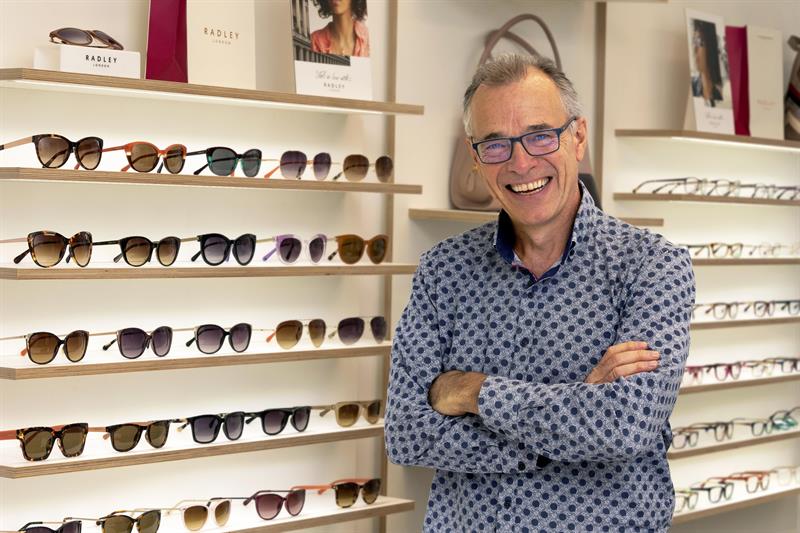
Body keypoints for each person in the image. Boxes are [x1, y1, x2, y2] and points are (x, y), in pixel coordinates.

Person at [385, 53, 695, 532]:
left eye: (539, 135)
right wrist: (573, 411)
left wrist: (472, 391)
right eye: (496, 145)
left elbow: (624, 426)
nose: (520, 161)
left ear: (577, 137)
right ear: (475, 156)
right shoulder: (442, 270)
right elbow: (406, 434)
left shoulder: (652, 267)